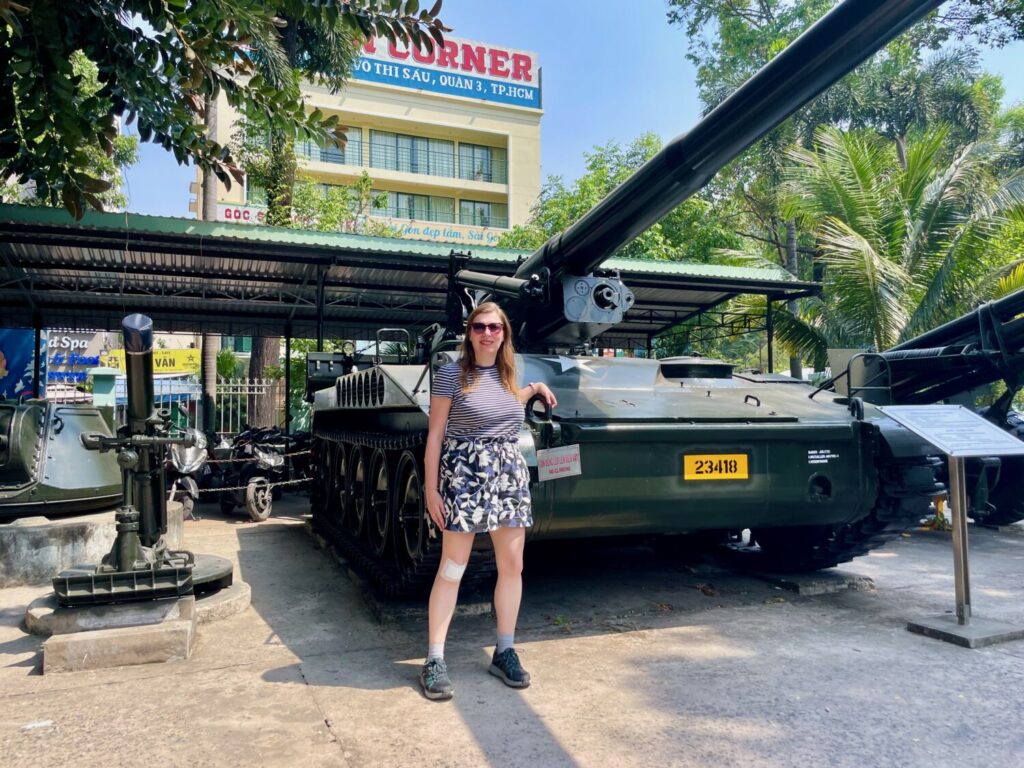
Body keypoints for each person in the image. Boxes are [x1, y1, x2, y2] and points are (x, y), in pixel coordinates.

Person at [420, 301, 557, 701]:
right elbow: (435, 436)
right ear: (469, 333)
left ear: (504, 333)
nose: (487, 333)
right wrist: (431, 490)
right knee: (452, 567)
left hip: (508, 474)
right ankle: (434, 659)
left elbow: (507, 404)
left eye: (494, 327)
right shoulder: (451, 376)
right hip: (464, 474)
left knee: (512, 565)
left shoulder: (507, 373)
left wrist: (532, 389)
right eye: (479, 326)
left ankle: (505, 650)